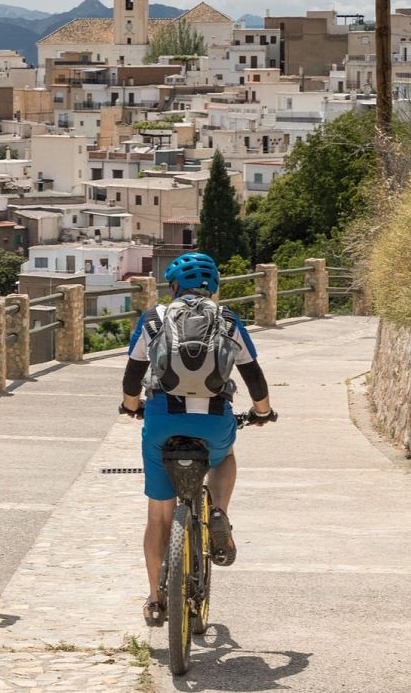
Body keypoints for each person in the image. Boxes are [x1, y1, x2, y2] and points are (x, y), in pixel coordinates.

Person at [121, 252, 277, 626]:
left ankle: (156, 599)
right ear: (214, 286)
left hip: (162, 421)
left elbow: (132, 377)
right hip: (214, 421)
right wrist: (262, 412)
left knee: (159, 515)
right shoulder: (227, 319)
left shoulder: (154, 318)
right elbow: (254, 377)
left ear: (173, 286)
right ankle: (219, 511)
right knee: (224, 456)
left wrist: (131, 407)